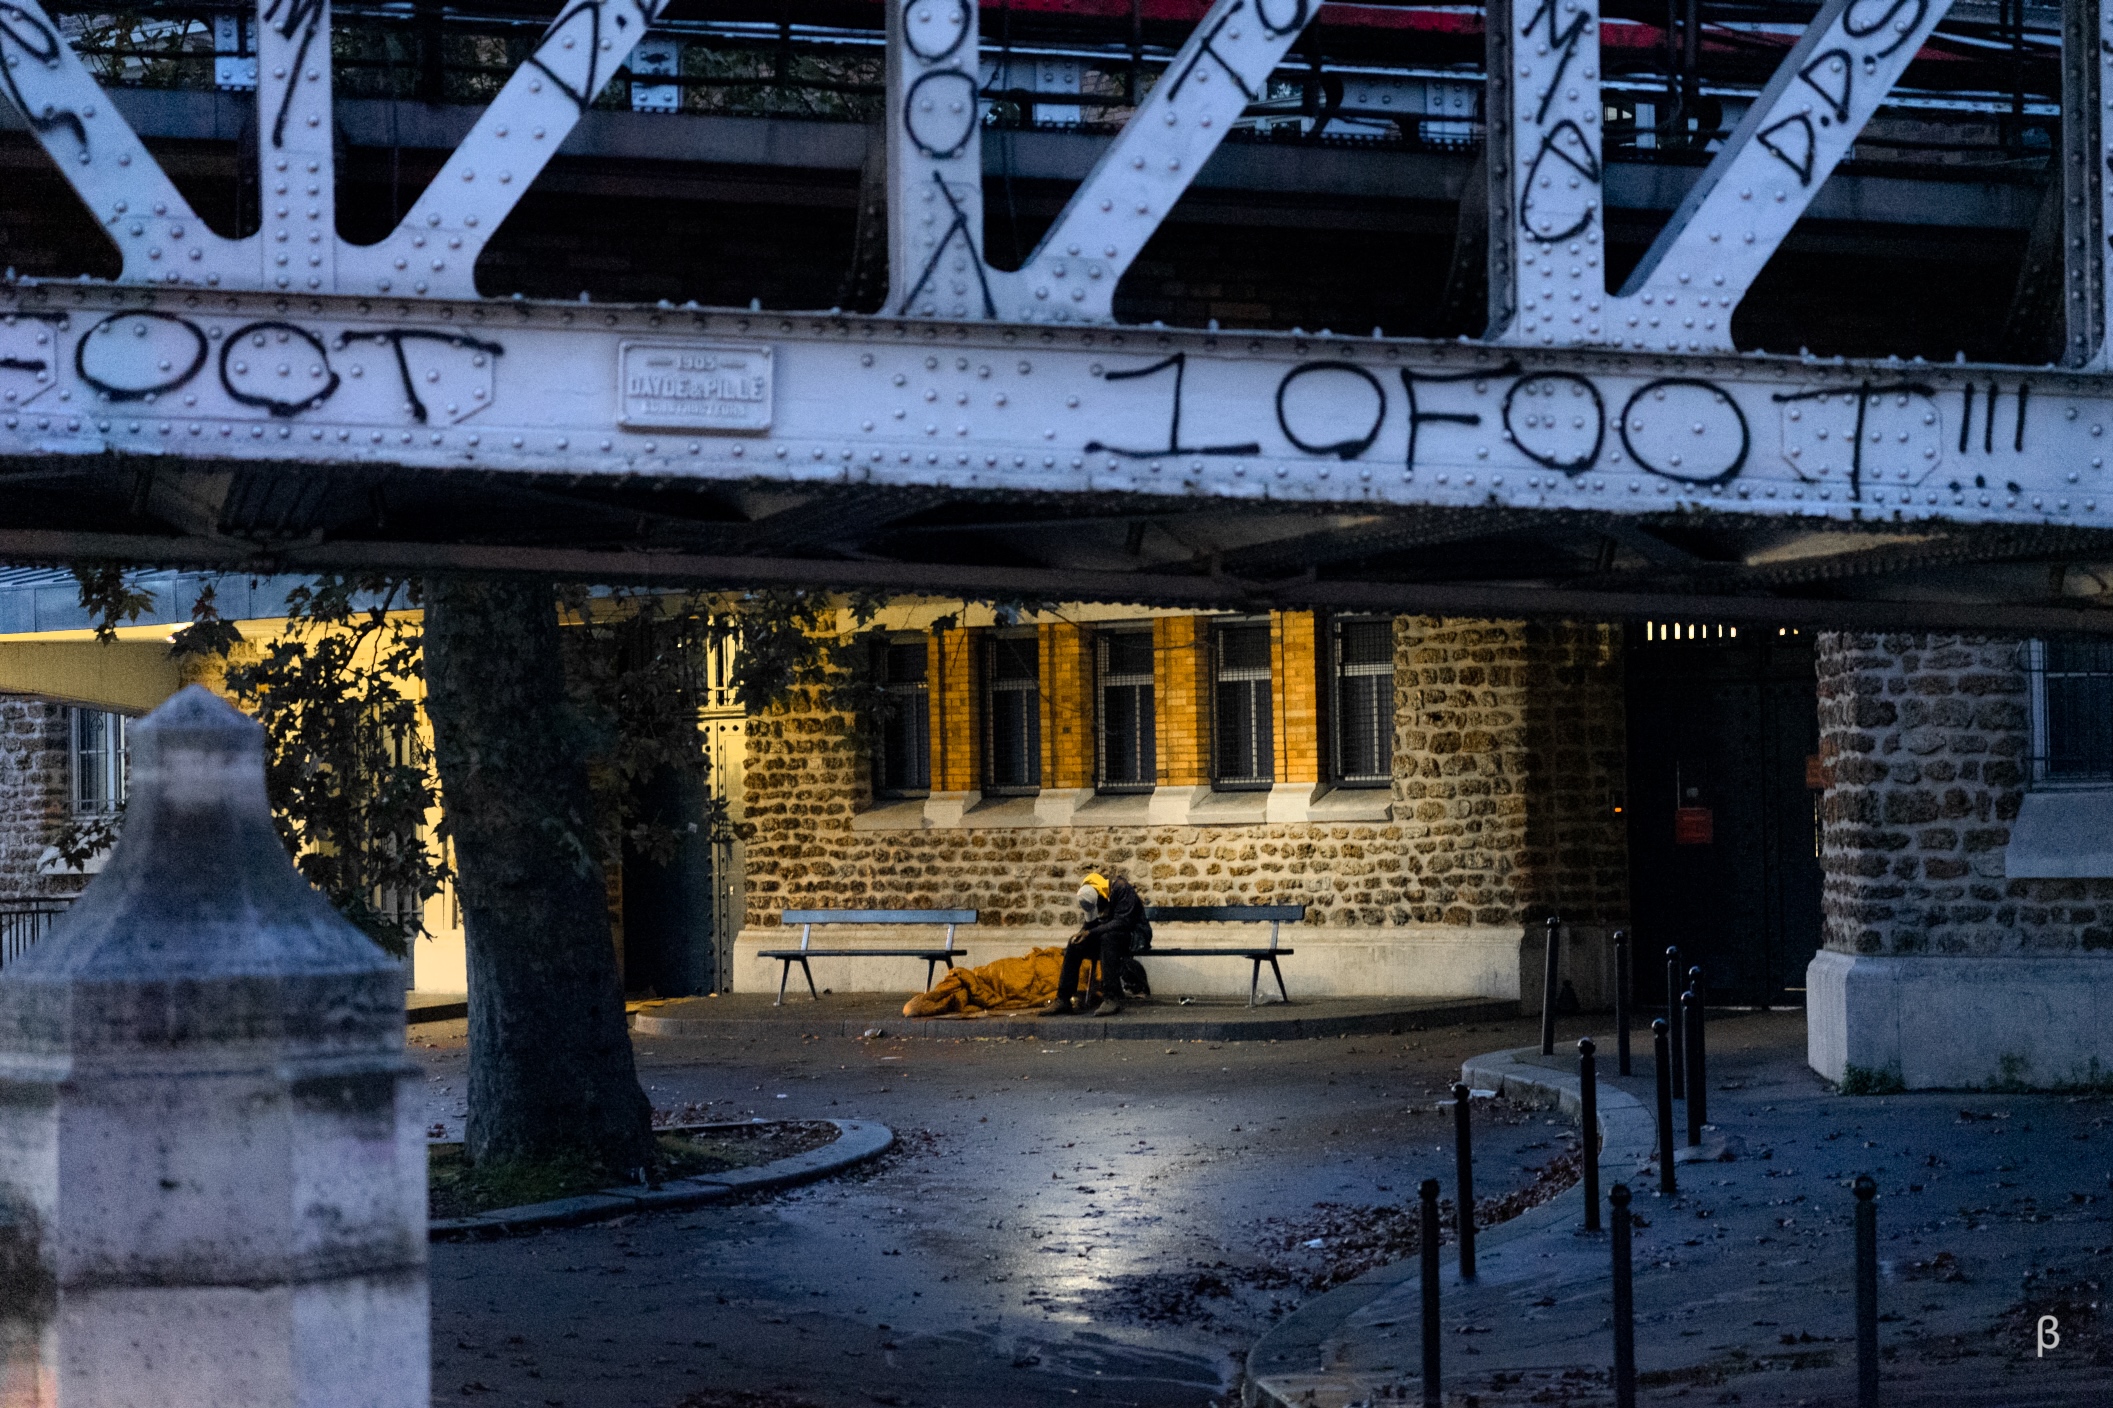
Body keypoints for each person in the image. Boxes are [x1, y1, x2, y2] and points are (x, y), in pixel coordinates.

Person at [1043, 870, 1145, 1017]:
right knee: (1074, 944)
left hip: (1132, 936)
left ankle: (1111, 997)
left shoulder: (1122, 889)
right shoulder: (1092, 893)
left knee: (1108, 938)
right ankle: (1063, 999)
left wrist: (1090, 933)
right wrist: (1082, 933)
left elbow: (1122, 922)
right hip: (1107, 938)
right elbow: (1091, 925)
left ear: (1100, 896)